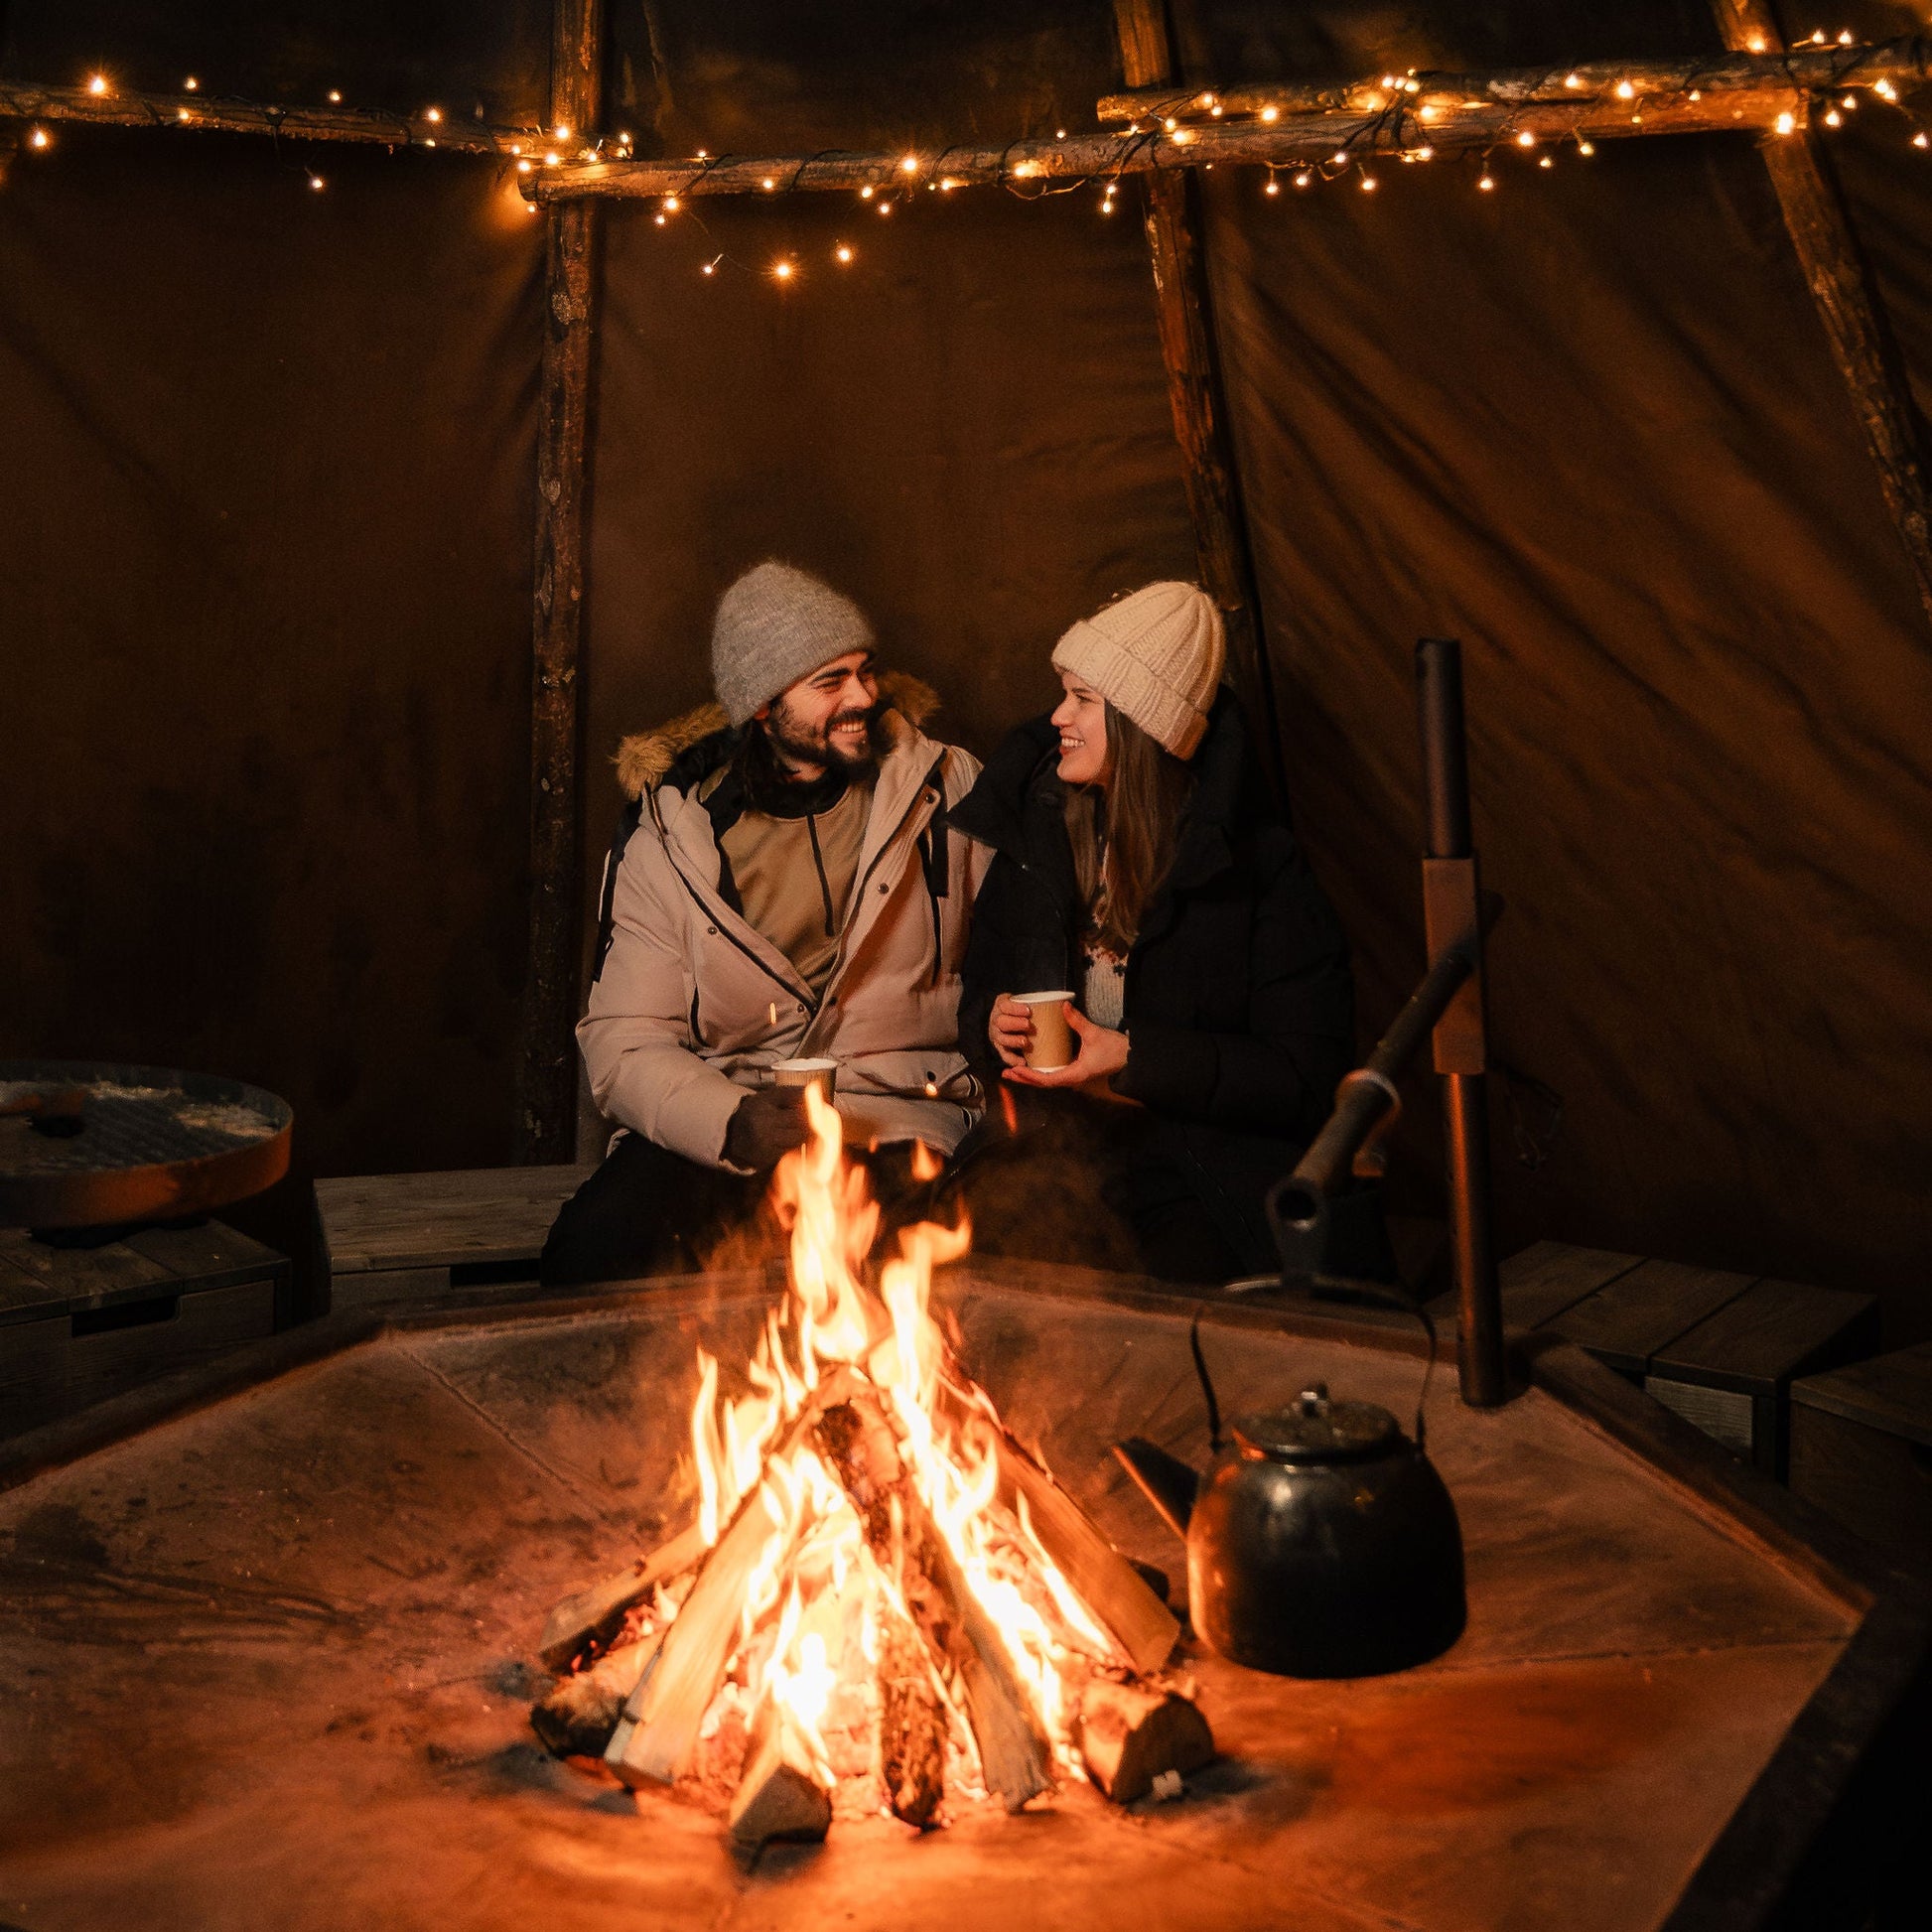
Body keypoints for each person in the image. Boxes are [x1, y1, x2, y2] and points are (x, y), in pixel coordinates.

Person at [541, 561, 988, 1286]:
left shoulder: (943, 789)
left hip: (900, 1121)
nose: (864, 697)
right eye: (830, 681)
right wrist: (731, 1122)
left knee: (938, 1270)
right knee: (594, 1251)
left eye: (864, 671)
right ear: (760, 706)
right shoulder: (672, 838)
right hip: (735, 1124)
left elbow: (1020, 948)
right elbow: (625, 1038)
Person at [950, 581, 1355, 1284]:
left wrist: (1136, 1059)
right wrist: (992, 1023)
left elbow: (1305, 1077)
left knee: (1154, 1308)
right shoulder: (1041, 836)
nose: (1056, 718)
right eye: (1062, 693)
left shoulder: (1257, 870)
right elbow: (980, 984)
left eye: (1083, 700)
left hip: (1203, 1172)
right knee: (941, 1279)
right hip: (1056, 1152)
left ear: (1143, 725)